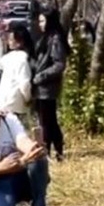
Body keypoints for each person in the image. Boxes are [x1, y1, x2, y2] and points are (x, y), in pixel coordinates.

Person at [31, 8, 68, 161]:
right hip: (40, 87)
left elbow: (59, 64)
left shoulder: (55, 39)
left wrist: (41, 76)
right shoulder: (45, 37)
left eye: (42, 21)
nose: (40, 24)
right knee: (47, 121)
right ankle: (54, 151)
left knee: (48, 122)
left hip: (48, 87)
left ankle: (52, 151)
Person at [0, 23, 33, 118]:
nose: (8, 42)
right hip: (15, 103)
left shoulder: (11, 58)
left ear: (19, 42)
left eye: (11, 39)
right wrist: (28, 98)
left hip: (3, 101)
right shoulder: (22, 59)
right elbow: (25, 83)